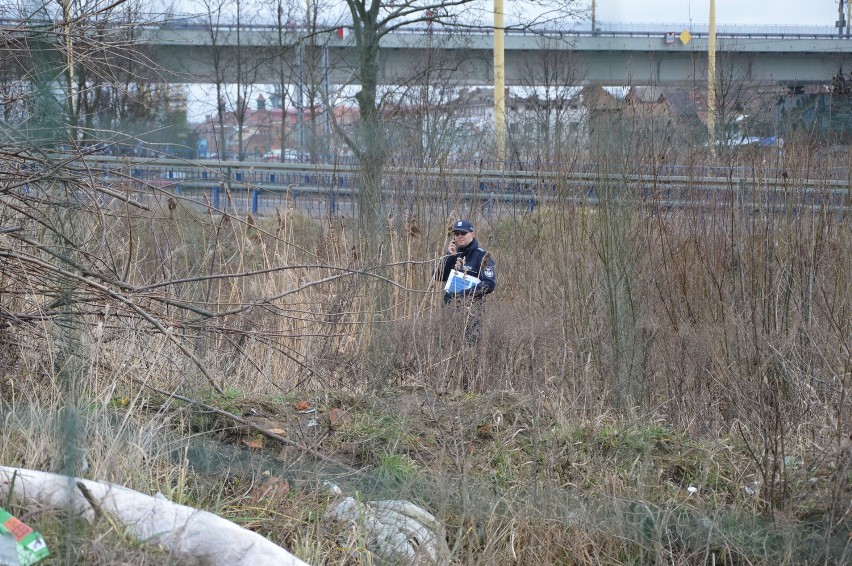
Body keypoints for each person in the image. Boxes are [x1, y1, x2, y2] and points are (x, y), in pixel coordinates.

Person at [434, 219, 496, 344]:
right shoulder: (453, 255)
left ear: (472, 234)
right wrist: (450, 257)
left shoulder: (482, 256)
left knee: (470, 349)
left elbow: (489, 284)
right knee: (448, 346)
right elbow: (437, 276)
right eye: (456, 234)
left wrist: (464, 293)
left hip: (472, 313)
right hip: (450, 311)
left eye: (463, 233)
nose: (459, 236)